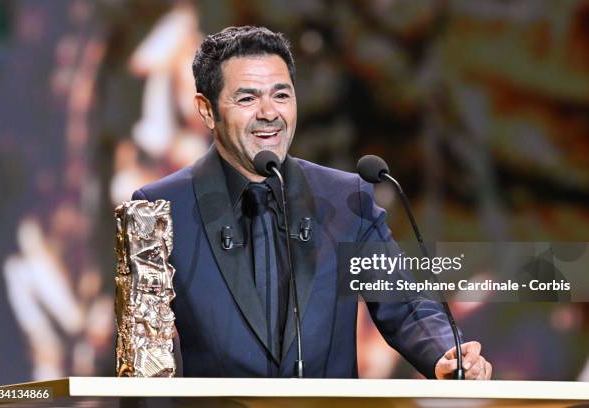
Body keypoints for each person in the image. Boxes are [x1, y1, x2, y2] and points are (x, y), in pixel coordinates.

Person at [132, 26, 492, 379]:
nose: (269, 112)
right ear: (207, 110)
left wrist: (446, 353)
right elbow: (141, 359)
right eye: (247, 98)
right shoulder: (160, 207)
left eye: (281, 95)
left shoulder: (347, 199)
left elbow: (406, 306)